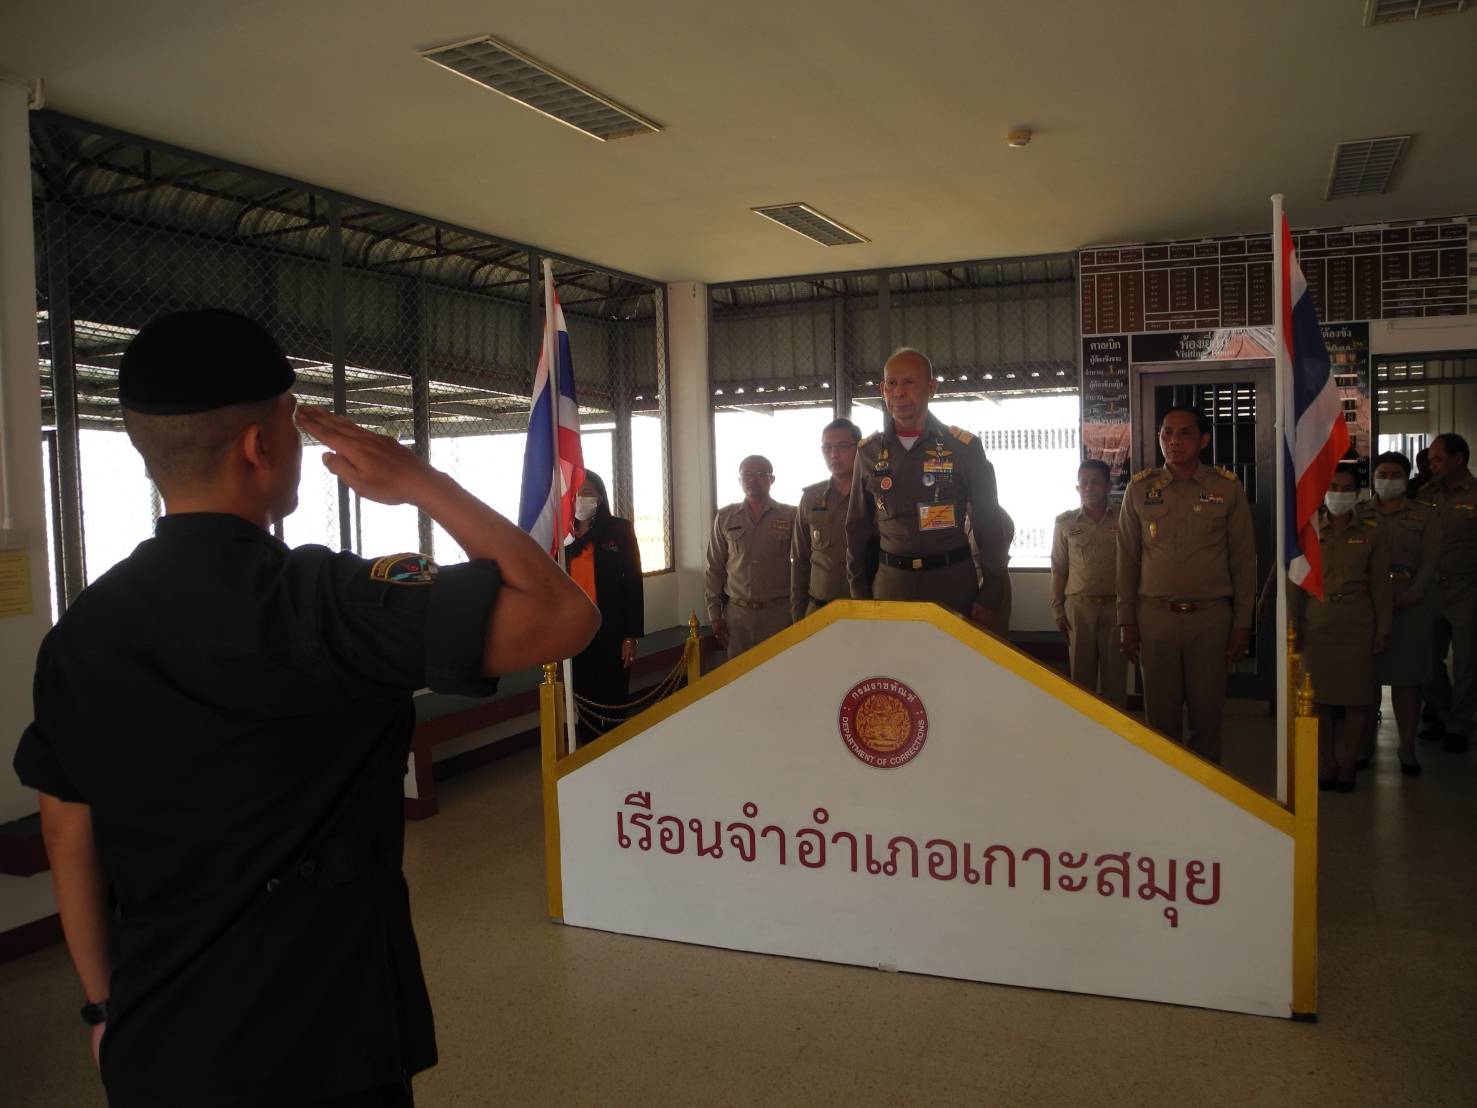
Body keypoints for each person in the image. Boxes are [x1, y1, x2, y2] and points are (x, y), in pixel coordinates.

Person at [12, 309, 599, 1108]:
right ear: (259, 447)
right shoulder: (328, 601)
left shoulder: (81, 634)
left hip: (160, 1036)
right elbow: (562, 616)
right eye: (293, 427)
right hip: (321, 1036)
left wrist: (102, 1006)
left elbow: (65, 826)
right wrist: (420, 481)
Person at [1117, 406, 1256, 761]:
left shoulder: (1226, 488)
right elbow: (1127, 560)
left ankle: (1205, 786)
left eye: (1184, 433)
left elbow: (1243, 561)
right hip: (1155, 618)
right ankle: (1164, 786)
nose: (1173, 441)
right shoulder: (1140, 489)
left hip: (1210, 619)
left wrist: (1242, 623)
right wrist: (1126, 620)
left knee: (1207, 715)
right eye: (1167, 432)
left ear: (1203, 440)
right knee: (1160, 718)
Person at [846, 348, 1007, 629]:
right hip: (891, 587)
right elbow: (857, 528)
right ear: (882, 390)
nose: (899, 392)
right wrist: (859, 593)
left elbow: (989, 524)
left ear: (932, 388)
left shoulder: (963, 447)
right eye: (891, 383)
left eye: (909, 382)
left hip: (951, 584)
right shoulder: (869, 452)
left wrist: (992, 591)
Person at [1295, 466, 1392, 792]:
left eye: (1346, 488)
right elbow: (1296, 583)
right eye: (1333, 486)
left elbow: (1380, 584)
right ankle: (1327, 762)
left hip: (1356, 623)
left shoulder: (1372, 531)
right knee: (1318, 699)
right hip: (1317, 622)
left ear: (1358, 493)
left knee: (1356, 699)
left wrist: (1383, 627)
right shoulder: (1308, 529)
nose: (1339, 493)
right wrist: (1294, 625)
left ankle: (1349, 762)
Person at [1356, 452, 1439, 775]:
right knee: (1367, 678)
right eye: (1382, 474)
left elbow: (1431, 561)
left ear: (1406, 478)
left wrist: (1411, 594)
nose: (1388, 480)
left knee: (1407, 679)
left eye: (1395, 475)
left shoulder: (1425, 515)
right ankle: (1364, 745)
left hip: (1410, 603)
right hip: (1367, 605)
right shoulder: (1359, 512)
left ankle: (1407, 747)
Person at [566, 471, 644, 745]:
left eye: (587, 493)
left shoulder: (619, 530)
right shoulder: (562, 535)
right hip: (576, 634)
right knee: (584, 700)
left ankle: (616, 752)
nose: (581, 498)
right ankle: (590, 753)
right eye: (576, 493)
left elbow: (633, 582)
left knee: (613, 699)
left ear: (599, 497)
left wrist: (631, 636)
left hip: (612, 631)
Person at [1418, 432, 1477, 754]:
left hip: (1467, 589)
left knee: (1467, 663)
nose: (1433, 465)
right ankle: (1441, 712)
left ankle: (1460, 725)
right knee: (1427, 659)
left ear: (1458, 459)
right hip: (1431, 591)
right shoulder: (1426, 494)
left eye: (1438, 459)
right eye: (1431, 460)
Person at [1050, 459, 1126, 707]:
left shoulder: (1124, 518)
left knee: (1116, 679)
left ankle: (1117, 729)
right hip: (1079, 610)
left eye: (1095, 482)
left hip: (1116, 609)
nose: (1089, 488)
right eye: (1083, 483)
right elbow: (1059, 568)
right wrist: (1058, 609)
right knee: (1081, 682)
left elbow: (1135, 564)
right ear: (1077, 487)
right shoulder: (1065, 523)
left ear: (1108, 486)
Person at [705, 455, 795, 658]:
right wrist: (714, 614)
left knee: (779, 671)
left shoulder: (790, 516)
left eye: (760, 474)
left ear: (772, 479)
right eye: (746, 475)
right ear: (740, 481)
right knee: (740, 674)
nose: (752, 480)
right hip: (737, 618)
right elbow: (714, 568)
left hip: (779, 615)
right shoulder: (726, 517)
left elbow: (802, 565)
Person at [791, 418, 862, 623]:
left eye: (842, 446)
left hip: (866, 611)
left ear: (859, 448)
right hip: (819, 610)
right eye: (827, 447)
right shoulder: (811, 498)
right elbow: (800, 561)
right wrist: (798, 615)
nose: (834, 454)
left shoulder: (875, 494)